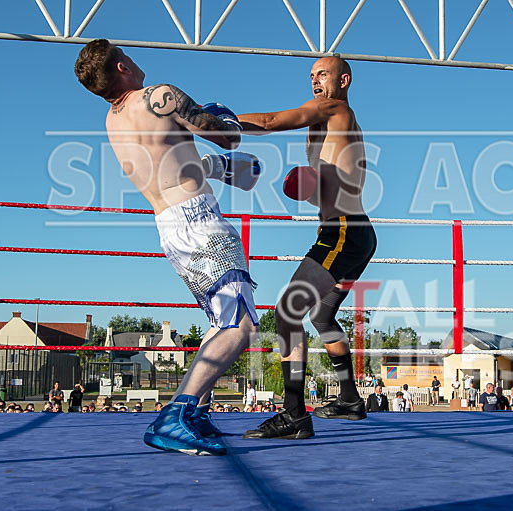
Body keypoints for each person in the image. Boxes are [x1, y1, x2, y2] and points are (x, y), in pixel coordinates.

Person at [74, 39, 262, 456]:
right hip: (200, 224)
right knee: (241, 325)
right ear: (122, 66)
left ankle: (195, 413)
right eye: (129, 55)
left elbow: (169, 163)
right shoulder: (161, 96)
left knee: (220, 320)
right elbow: (228, 136)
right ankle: (175, 415)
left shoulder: (113, 120)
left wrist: (216, 168)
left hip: (169, 228)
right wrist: (221, 118)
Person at [239, 56, 376, 440]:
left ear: (343, 80)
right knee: (322, 318)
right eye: (312, 76)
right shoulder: (326, 125)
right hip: (354, 232)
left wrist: (214, 122)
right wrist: (311, 187)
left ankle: (295, 414)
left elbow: (268, 122)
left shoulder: (336, 109)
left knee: (287, 312)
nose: (316, 81)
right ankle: (349, 399)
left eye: (323, 74)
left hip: (343, 233)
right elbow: (335, 183)